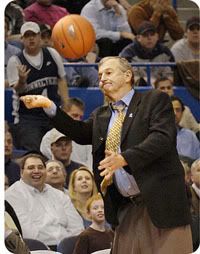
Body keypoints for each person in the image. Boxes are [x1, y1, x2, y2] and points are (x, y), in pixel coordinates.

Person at [20, 56, 193, 253]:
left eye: (108, 73)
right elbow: (80, 132)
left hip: (161, 204)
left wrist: (125, 158)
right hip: (126, 208)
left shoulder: (154, 100)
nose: (102, 78)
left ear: (128, 75)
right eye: (100, 75)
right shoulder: (102, 114)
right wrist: (49, 107)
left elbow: (162, 138)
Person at [7, 21, 69, 152]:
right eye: (27, 36)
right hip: (28, 117)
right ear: (22, 39)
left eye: (34, 35)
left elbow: (62, 80)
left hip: (53, 113)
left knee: (62, 148)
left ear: (40, 37)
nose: (31, 38)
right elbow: (17, 90)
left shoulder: (52, 54)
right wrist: (22, 80)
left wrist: (66, 103)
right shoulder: (15, 61)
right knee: (34, 151)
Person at [5, 153, 84, 250]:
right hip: (36, 248)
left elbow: (76, 226)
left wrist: (69, 246)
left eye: (40, 167)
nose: (36, 171)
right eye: (31, 168)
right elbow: (26, 231)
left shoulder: (59, 195)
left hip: (66, 248)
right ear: (21, 172)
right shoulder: (13, 195)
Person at [40, 97, 93, 168]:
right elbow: (52, 163)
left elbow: (91, 163)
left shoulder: (87, 136)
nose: (78, 120)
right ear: (63, 114)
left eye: (80, 117)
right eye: (75, 115)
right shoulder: (48, 138)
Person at [119, 21, 174, 86]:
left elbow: (170, 75)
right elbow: (129, 78)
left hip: (161, 89)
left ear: (157, 36)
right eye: (145, 35)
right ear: (138, 38)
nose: (149, 38)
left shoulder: (165, 52)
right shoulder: (128, 53)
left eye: (152, 34)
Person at [170, 95, 200, 160]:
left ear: (182, 113)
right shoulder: (156, 135)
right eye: (171, 109)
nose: (175, 113)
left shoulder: (190, 135)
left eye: (178, 110)